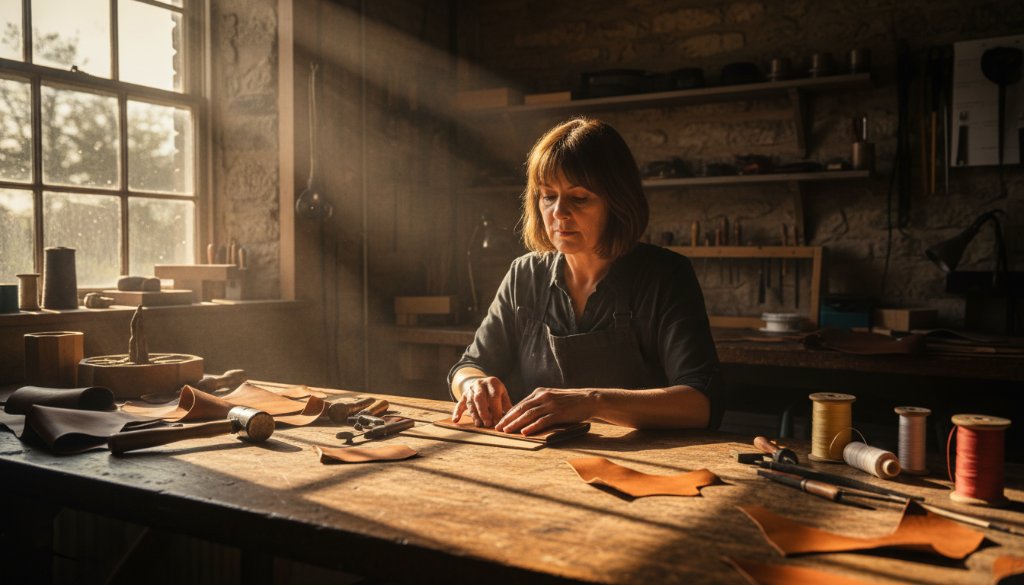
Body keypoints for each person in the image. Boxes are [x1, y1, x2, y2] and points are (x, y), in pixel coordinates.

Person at [448, 117, 719, 435]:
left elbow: (701, 404)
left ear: (617, 203)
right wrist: (474, 384)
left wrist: (593, 402)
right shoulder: (525, 274)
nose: (558, 213)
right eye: (548, 196)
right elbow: (466, 367)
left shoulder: (665, 276)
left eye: (579, 198)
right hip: (536, 459)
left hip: (642, 463)